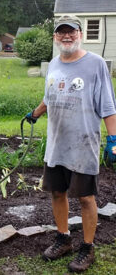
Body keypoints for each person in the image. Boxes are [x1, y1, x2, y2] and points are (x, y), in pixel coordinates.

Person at [25, 15, 116, 273]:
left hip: (83, 145)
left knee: (86, 198)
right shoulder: (54, 64)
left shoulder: (96, 64)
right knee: (57, 193)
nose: (66, 36)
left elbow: (108, 107)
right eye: (61, 32)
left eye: (71, 32)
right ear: (55, 37)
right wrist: (35, 113)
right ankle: (64, 238)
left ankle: (87, 247)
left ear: (80, 34)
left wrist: (113, 139)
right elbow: (49, 96)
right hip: (57, 144)